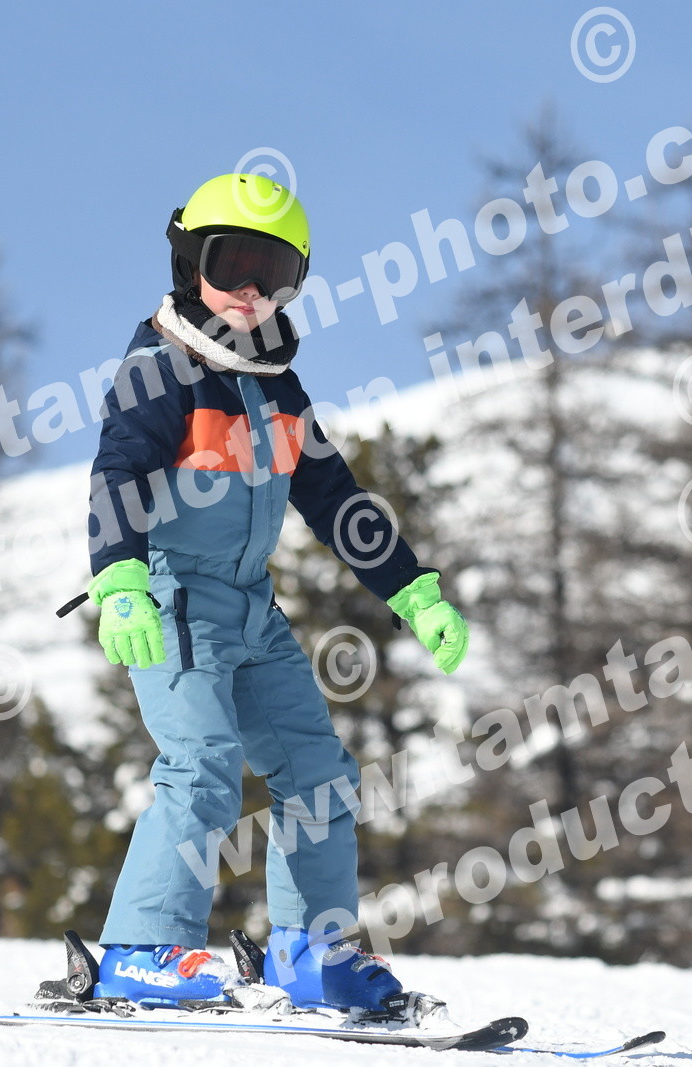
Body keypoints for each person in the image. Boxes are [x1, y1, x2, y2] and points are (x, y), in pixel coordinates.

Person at [76, 173, 468, 1015]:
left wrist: (413, 591)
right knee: (203, 765)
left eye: (277, 272)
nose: (253, 291)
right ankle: (138, 951)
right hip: (174, 600)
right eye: (233, 265)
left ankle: (307, 953)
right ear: (190, 263)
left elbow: (335, 499)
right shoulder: (160, 370)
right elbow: (118, 473)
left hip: (252, 607)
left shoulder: (278, 385)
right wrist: (120, 578)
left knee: (319, 772)